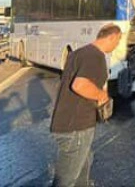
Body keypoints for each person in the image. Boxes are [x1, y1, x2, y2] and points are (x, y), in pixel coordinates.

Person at [50, 24, 122, 187]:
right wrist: (102, 95)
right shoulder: (95, 56)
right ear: (111, 37)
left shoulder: (79, 53)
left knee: (83, 169)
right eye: (118, 41)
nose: (117, 45)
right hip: (76, 127)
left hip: (69, 124)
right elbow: (80, 85)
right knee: (66, 181)